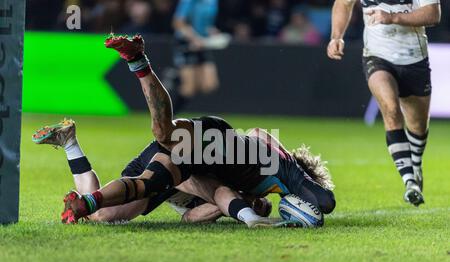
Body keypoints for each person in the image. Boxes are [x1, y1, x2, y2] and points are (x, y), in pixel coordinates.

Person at [61, 34, 335, 228]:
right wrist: (257, 210)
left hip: (193, 164)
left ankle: (80, 175)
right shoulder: (280, 166)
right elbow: (260, 137)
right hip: (217, 141)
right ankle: (138, 62)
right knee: (163, 138)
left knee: (110, 212)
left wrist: (251, 207)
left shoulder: (223, 188)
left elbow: (192, 216)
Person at [32, 119, 273, 224]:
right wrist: (242, 204)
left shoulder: (223, 196)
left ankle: (70, 144)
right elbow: (189, 183)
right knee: (101, 216)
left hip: (162, 174)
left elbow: (189, 217)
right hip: (163, 173)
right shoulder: (225, 184)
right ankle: (70, 145)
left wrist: (234, 207)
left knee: (97, 215)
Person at [327, 0, 441, 206]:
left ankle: (416, 165)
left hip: (414, 59)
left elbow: (433, 14)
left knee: (418, 126)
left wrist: (393, 17)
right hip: (377, 56)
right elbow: (343, 4)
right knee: (390, 109)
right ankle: (410, 182)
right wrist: (336, 37)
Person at [170, 0, 220, 113]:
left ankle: (176, 78)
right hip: (185, 43)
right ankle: (168, 116)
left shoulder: (213, 2)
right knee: (188, 88)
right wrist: (194, 39)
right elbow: (178, 23)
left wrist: (212, 32)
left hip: (203, 43)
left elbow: (207, 24)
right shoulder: (188, 1)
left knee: (210, 84)